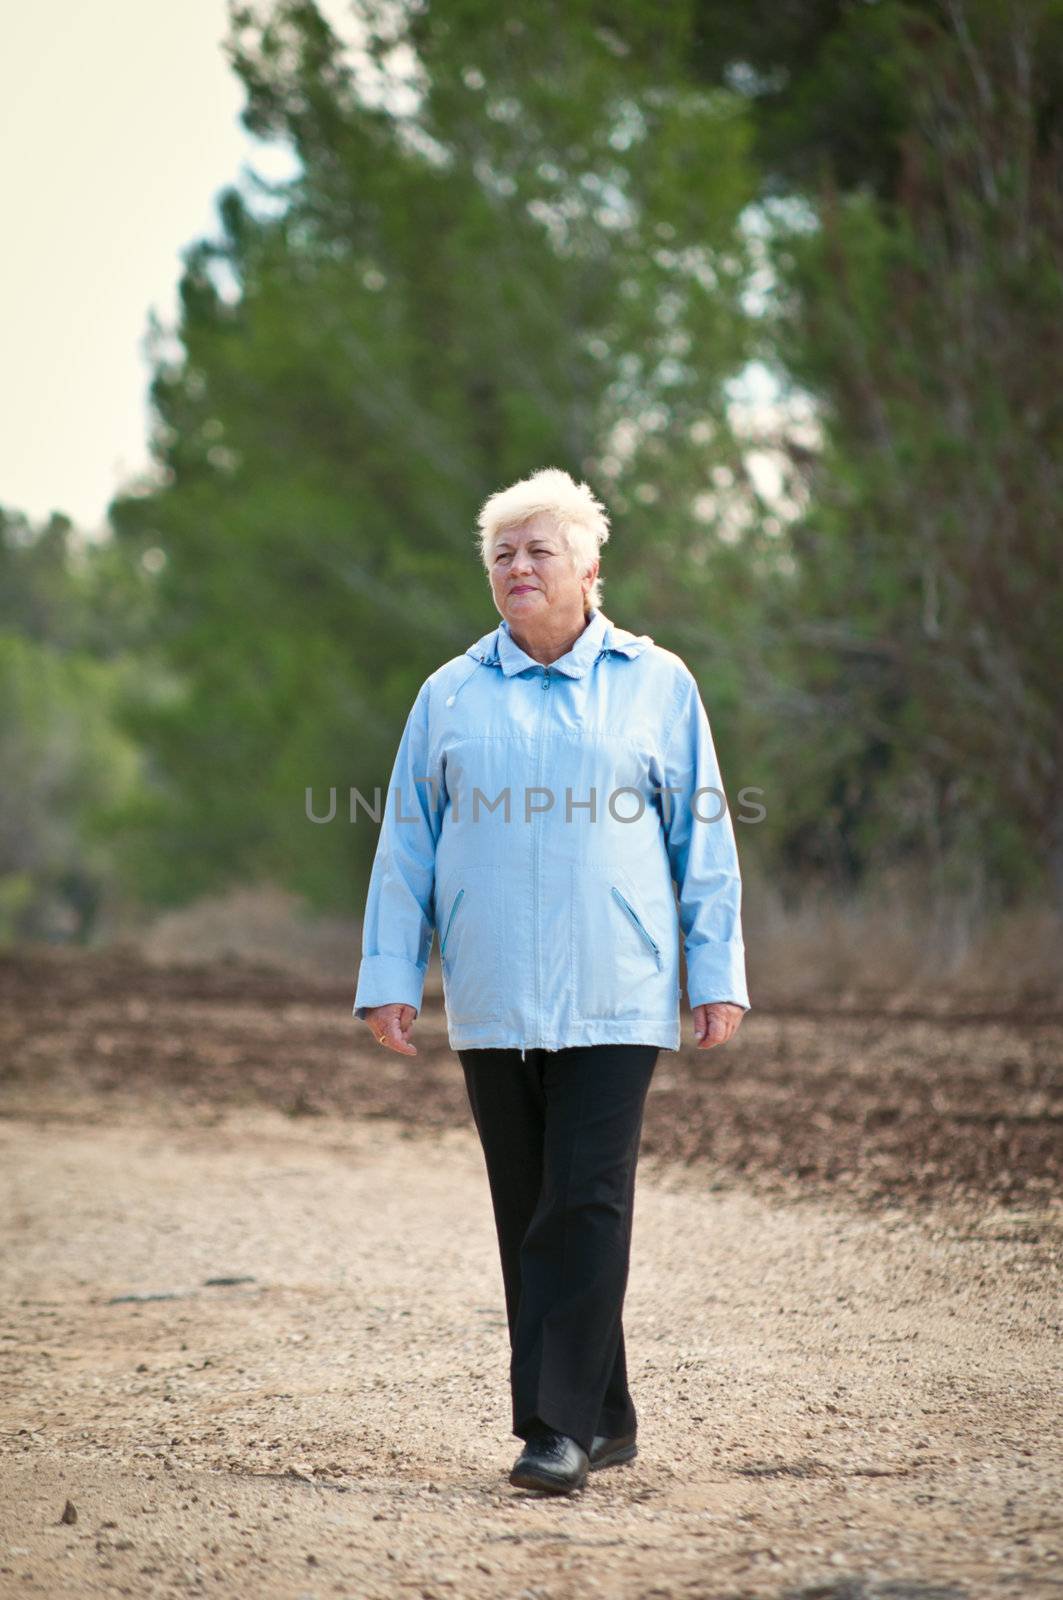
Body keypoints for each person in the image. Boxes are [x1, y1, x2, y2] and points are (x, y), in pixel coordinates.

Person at [353, 467, 749, 1494]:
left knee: (582, 1200)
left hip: (619, 985)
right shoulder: (448, 694)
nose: (517, 566)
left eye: (538, 549)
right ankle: (607, 1414)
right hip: (492, 990)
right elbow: (406, 845)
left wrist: (717, 972)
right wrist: (391, 974)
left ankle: (555, 1427)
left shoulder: (658, 684)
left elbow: (701, 838)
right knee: (529, 1201)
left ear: (589, 567)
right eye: (501, 553)